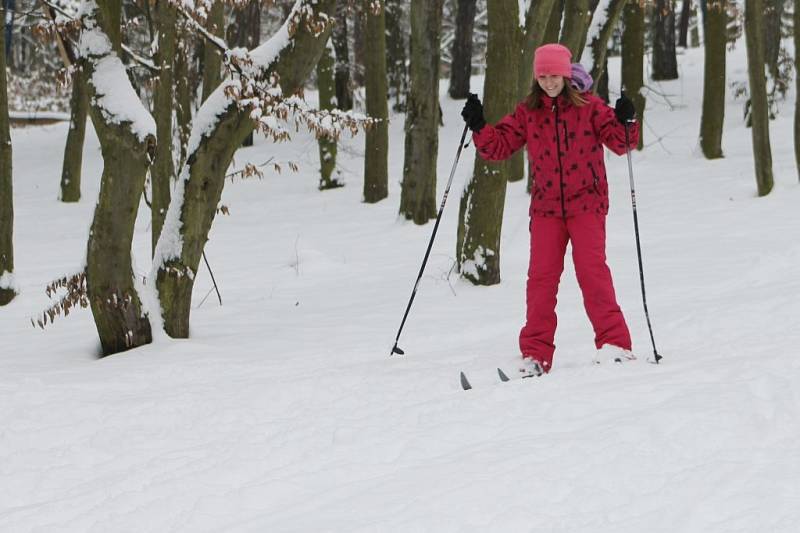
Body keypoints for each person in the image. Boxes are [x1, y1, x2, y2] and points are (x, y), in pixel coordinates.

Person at [460, 43, 638, 376]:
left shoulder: (590, 107)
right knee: (540, 282)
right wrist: (480, 126)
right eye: (542, 76)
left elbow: (621, 142)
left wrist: (628, 119)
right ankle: (535, 355)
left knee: (592, 273)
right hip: (546, 210)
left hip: (587, 204)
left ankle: (616, 346)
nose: (549, 82)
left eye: (554, 75)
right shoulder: (530, 111)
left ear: (566, 74)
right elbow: (499, 146)